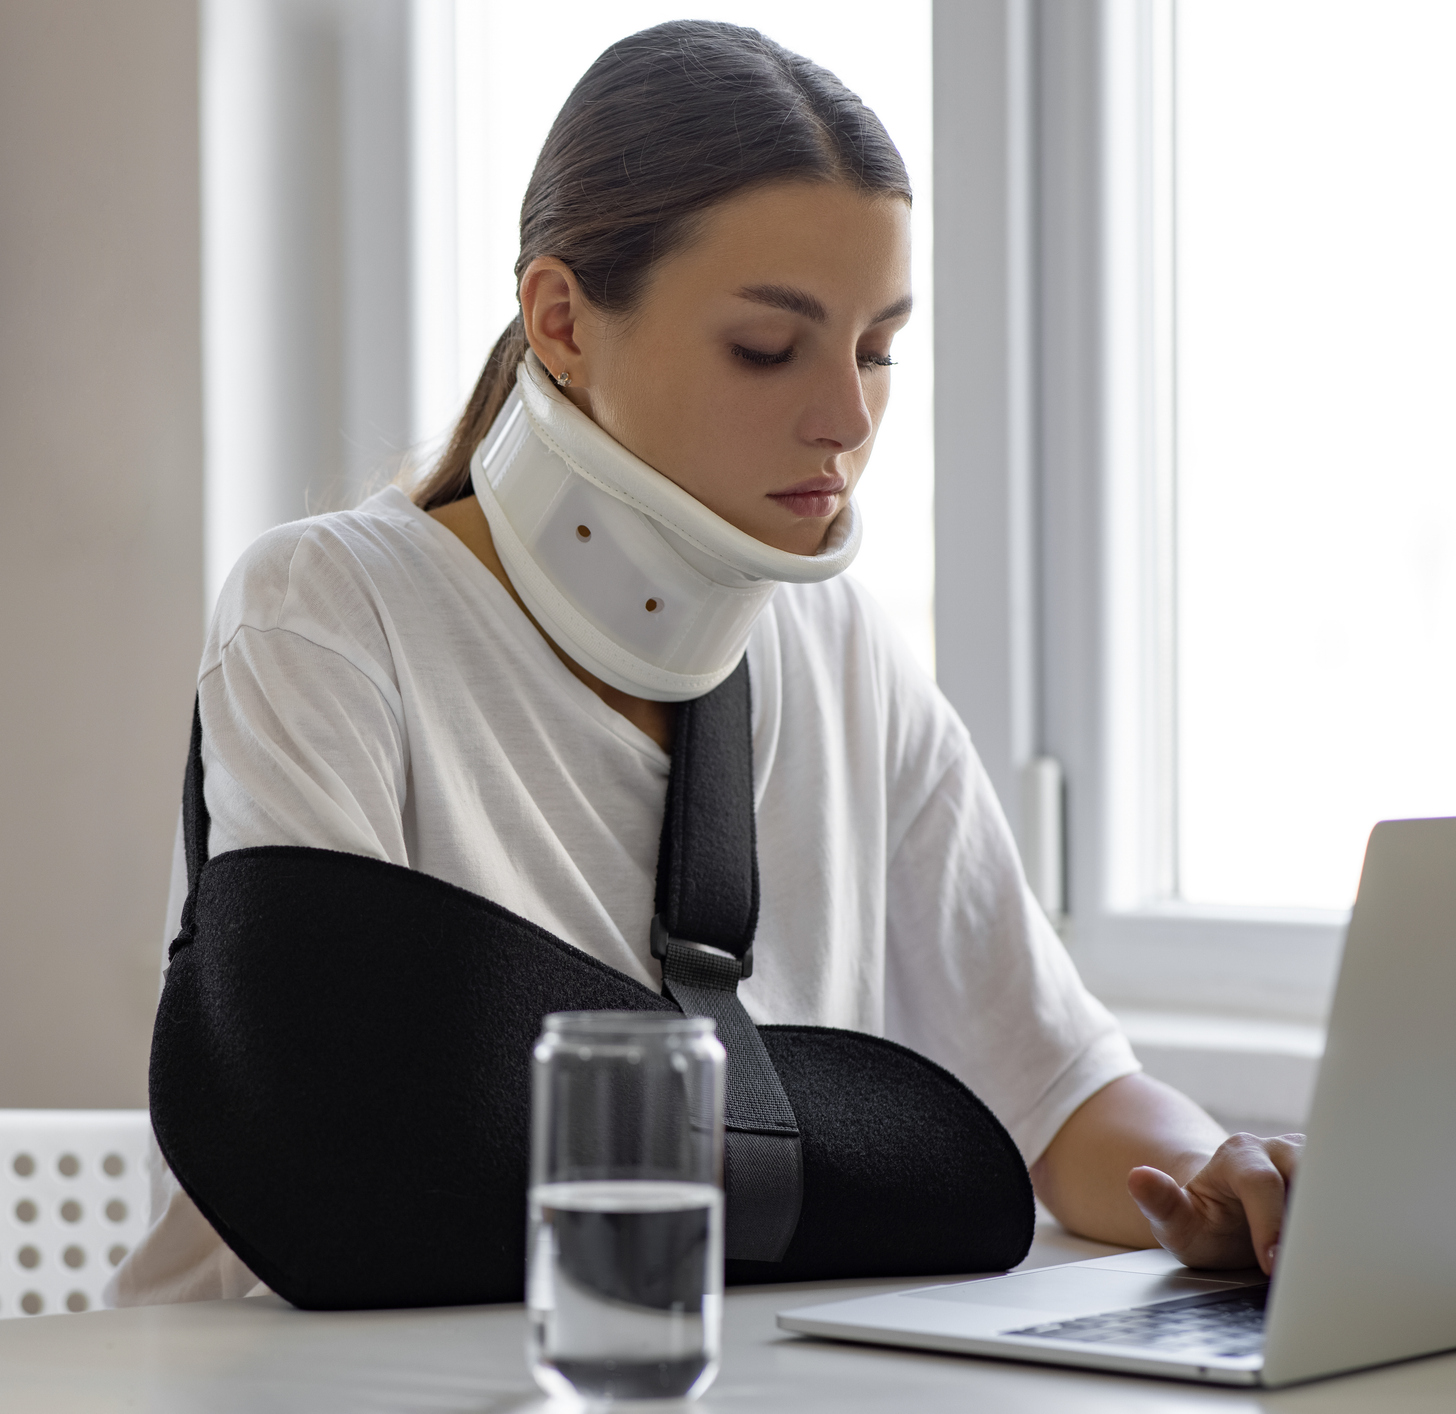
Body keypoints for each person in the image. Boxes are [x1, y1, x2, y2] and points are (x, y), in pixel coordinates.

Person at [106, 19, 1299, 1308]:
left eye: (879, 348)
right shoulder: (332, 611)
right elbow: (345, 1149)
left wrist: (1227, 1181)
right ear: (561, 318)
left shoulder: (841, 652)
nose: (846, 417)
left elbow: (1060, 1095)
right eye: (766, 347)